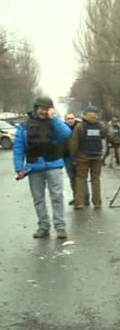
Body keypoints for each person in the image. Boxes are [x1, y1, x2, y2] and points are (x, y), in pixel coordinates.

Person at [13, 97, 72, 239]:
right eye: (42, 108)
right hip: (33, 167)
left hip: (53, 164)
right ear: (36, 108)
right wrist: (19, 168)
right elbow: (18, 148)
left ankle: (60, 227)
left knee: (57, 196)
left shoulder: (54, 122)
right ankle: (43, 226)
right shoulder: (24, 126)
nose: (44, 111)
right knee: (38, 199)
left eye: (47, 108)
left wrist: (55, 118)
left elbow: (66, 134)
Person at [70, 106, 106, 209]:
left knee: (81, 178)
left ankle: (80, 202)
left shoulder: (80, 126)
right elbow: (103, 137)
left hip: (83, 156)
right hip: (97, 155)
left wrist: (73, 156)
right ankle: (97, 202)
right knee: (96, 179)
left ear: (85, 114)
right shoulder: (101, 126)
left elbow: (75, 143)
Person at [62, 112, 89, 206]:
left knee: (82, 177)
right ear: (65, 120)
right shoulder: (62, 129)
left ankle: (85, 198)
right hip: (67, 157)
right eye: (68, 118)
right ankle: (76, 198)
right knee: (72, 178)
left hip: (79, 156)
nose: (70, 120)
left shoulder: (80, 127)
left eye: (71, 118)